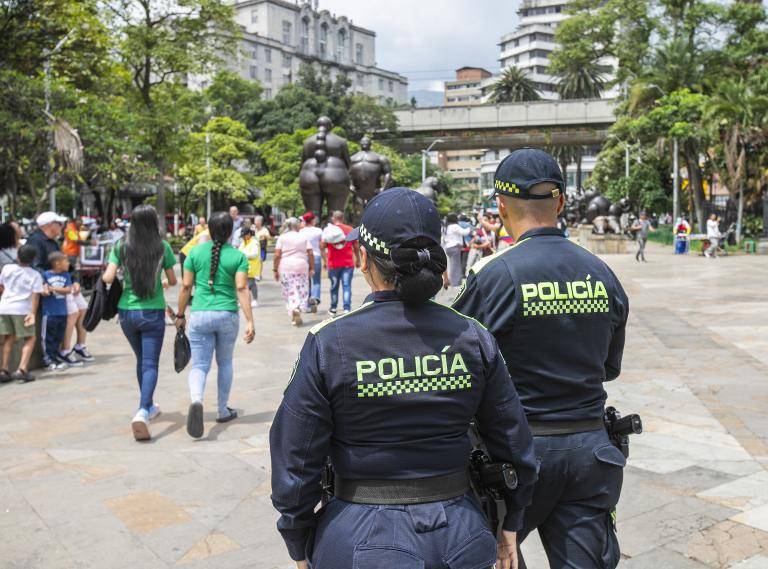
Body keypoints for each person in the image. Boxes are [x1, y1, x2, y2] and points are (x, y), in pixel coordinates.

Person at [270, 187, 538, 569]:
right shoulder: (472, 336)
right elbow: (513, 439)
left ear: (364, 258)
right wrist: (511, 519)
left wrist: (298, 540)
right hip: (462, 533)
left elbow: (296, 458)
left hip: (361, 535)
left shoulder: (330, 342)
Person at [453, 148, 630, 569]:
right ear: (561, 202)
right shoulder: (601, 272)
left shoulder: (493, 274)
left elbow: (457, 364)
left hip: (515, 455)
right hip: (590, 452)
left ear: (500, 205)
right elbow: (609, 367)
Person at [175, 212, 255, 439]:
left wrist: (180, 314)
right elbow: (242, 289)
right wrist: (250, 320)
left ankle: (196, 400)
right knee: (225, 362)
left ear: (208, 230)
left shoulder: (194, 253)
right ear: (231, 232)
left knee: (199, 365)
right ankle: (222, 409)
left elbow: (186, 286)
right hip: (227, 314)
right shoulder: (238, 256)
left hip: (199, 314)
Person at [102, 204, 178, 441]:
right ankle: (143, 410)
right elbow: (172, 280)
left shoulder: (121, 246)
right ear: (153, 222)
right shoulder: (162, 247)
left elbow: (108, 277)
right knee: (150, 363)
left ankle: (149, 406)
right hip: (152, 312)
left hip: (126, 312)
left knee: (141, 360)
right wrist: (161, 283)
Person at [0, 244, 43, 383]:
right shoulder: (35, 275)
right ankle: (22, 369)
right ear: (33, 259)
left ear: (17, 256)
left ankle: (4, 370)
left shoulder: (7, 268)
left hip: (4, 307)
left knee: (9, 337)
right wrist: (32, 314)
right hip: (21, 309)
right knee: (30, 338)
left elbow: (1, 286)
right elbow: (35, 296)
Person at [273, 218, 315, 326]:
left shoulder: (282, 237)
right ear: (297, 226)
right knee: (302, 289)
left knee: (289, 290)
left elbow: (277, 255)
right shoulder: (303, 237)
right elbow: (310, 253)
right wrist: (312, 267)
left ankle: (293, 309)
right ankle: (298, 308)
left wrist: (275, 269)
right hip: (301, 266)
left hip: (286, 267)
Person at [321, 210, 359, 316]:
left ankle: (333, 308)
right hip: (348, 263)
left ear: (333, 219)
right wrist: (358, 259)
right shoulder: (349, 229)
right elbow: (356, 247)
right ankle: (347, 308)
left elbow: (322, 246)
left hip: (333, 263)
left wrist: (325, 260)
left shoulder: (329, 230)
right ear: (343, 218)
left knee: (334, 286)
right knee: (347, 286)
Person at [40, 252, 73, 372]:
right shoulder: (45, 275)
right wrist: (46, 290)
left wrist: (53, 288)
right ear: (57, 263)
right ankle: (48, 360)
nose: (68, 263)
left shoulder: (66, 275)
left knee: (58, 337)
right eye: (66, 261)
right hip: (49, 313)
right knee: (47, 338)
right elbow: (43, 290)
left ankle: (55, 358)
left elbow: (68, 290)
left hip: (62, 312)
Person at [298, 211, 323, 309]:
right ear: (312, 220)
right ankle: (315, 297)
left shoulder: (301, 231)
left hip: (304, 257)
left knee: (306, 280)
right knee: (316, 280)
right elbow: (321, 245)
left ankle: (308, 303)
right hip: (316, 256)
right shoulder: (318, 231)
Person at [442, 213, 471, 288]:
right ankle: (455, 283)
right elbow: (464, 232)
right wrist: (469, 228)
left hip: (448, 247)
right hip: (455, 247)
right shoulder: (454, 226)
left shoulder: (446, 227)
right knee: (455, 266)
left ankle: (453, 281)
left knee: (453, 265)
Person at [238, 228, 260, 307]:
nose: (243, 238)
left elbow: (254, 254)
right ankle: (244, 300)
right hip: (243, 266)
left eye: (244, 236)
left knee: (251, 283)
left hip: (252, 266)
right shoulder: (243, 243)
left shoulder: (254, 242)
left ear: (249, 234)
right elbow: (239, 251)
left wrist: (243, 255)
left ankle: (255, 300)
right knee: (243, 284)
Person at [254, 215, 271, 280]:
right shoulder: (253, 229)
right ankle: (255, 274)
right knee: (255, 261)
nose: (255, 222)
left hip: (261, 248)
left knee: (260, 260)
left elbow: (269, 238)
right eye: (255, 221)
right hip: (254, 247)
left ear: (260, 222)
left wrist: (264, 236)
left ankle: (259, 274)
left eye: (257, 221)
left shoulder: (264, 230)